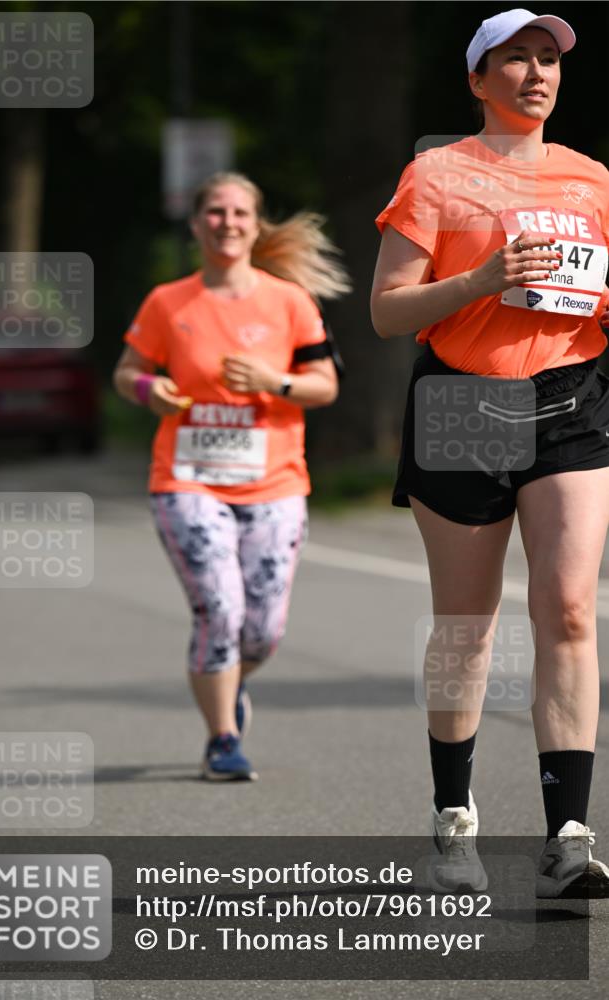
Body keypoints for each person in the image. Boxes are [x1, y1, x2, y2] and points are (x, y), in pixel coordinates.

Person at [371, 9, 609, 898]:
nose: (536, 72)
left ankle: (569, 837)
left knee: (569, 611)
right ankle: (453, 818)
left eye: (548, 58)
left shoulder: (593, 180)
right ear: (477, 80)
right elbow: (387, 310)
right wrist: (480, 280)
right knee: (466, 630)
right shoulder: (436, 174)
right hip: (462, 403)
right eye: (515, 58)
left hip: (570, 401)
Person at [113, 172, 349, 781]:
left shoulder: (289, 302)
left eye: (240, 212)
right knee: (219, 609)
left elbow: (325, 386)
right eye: (214, 212)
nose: (227, 222)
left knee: (262, 630)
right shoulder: (168, 302)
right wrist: (149, 389)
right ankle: (223, 738)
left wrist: (275, 383)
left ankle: (227, 687)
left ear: (256, 224)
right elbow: (126, 371)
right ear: (196, 224)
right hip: (187, 480)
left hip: (275, 483)